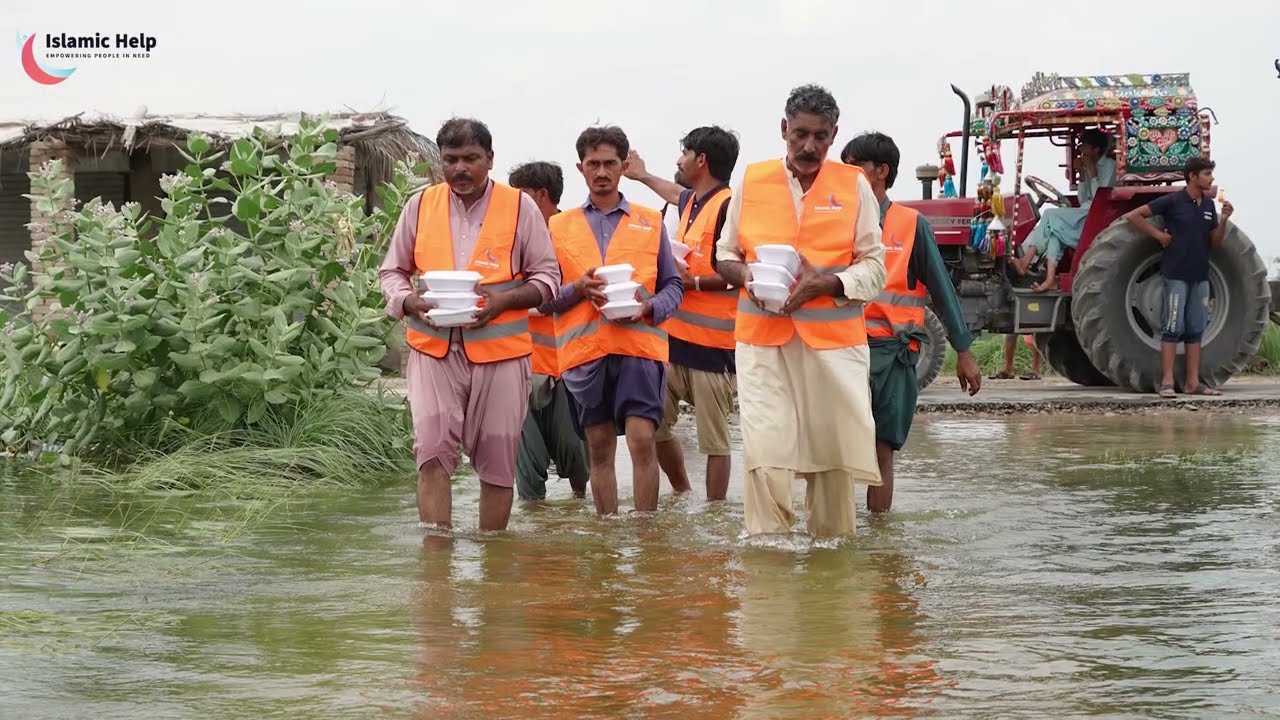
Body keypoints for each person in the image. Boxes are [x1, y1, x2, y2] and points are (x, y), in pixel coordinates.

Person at [714, 84, 887, 538]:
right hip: (762, 342)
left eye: (821, 137)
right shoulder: (752, 180)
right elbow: (724, 254)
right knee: (766, 456)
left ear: (834, 135)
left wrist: (827, 284)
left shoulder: (853, 186)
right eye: (800, 135)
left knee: (833, 464)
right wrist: (745, 277)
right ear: (783, 129)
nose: (809, 147)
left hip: (833, 348)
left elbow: (875, 266)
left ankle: (832, 573)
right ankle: (769, 560)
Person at [379, 118, 562, 531]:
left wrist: (504, 301)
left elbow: (548, 279)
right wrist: (408, 300)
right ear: (440, 162)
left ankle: (492, 564)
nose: (460, 168)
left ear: (490, 159)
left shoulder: (520, 207)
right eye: (451, 160)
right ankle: (436, 567)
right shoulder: (420, 205)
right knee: (430, 452)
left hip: (501, 355)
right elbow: (391, 272)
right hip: (432, 350)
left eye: (470, 159)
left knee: (498, 462)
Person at [544, 125, 685, 516]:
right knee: (599, 448)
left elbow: (674, 285)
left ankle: (645, 536)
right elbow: (543, 298)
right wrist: (577, 290)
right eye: (593, 164)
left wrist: (650, 307)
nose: (602, 171)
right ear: (580, 168)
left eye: (609, 163)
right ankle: (606, 535)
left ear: (624, 166)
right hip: (585, 352)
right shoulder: (558, 226)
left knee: (642, 440)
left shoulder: (650, 222)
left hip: (640, 347)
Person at [840, 131, 982, 513]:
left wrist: (964, 352)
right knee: (834, 451)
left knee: (882, 448)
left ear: (881, 172)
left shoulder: (910, 224)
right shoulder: (837, 222)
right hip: (841, 348)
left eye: (854, 167)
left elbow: (942, 289)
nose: (845, 175)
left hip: (893, 354)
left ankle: (880, 540)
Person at [625, 126, 740, 501]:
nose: (679, 160)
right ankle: (683, 493)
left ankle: (714, 514)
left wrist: (690, 283)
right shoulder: (693, 202)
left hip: (713, 347)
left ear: (701, 160)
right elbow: (674, 192)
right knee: (653, 427)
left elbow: (740, 276)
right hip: (673, 343)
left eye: (684, 153)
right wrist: (641, 175)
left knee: (715, 442)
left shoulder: (729, 207)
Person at [507, 161, 591, 501]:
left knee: (578, 460)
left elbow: (581, 290)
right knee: (526, 467)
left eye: (521, 196)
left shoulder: (572, 233)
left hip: (565, 364)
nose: (513, 205)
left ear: (542, 196)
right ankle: (537, 543)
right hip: (519, 363)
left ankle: (579, 529)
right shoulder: (510, 237)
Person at [1122, 155, 1232, 398]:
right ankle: (1168, 383)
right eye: (1206, 174)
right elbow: (1133, 216)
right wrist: (1158, 235)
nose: (1211, 178)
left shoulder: (1207, 206)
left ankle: (1193, 383)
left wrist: (1223, 220)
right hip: (1176, 275)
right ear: (1192, 176)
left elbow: (1214, 242)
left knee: (1195, 331)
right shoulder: (1172, 201)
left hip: (1200, 277)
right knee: (1171, 329)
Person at [1011, 128, 1116, 292]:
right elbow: (1083, 199)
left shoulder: (1109, 166)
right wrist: (1082, 173)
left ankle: (1025, 261)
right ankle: (1050, 280)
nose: (1081, 150)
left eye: (1085, 146)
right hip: (1085, 213)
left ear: (1096, 149)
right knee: (1054, 233)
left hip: (1096, 216)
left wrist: (1092, 172)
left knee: (1049, 215)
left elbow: (1098, 200)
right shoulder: (1089, 164)